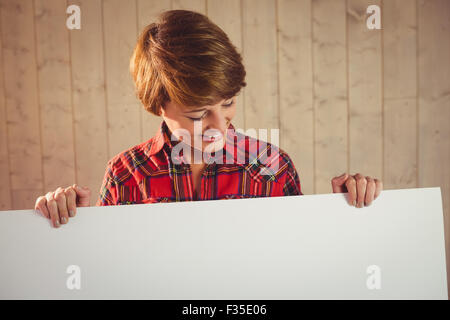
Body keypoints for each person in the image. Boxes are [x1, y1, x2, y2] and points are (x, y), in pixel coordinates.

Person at [34, 10, 383, 228]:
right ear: (160, 106)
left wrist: (345, 213)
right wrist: (70, 222)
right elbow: (104, 269)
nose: (221, 124)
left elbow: (301, 258)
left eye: (228, 103)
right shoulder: (125, 173)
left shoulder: (274, 167)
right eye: (200, 113)